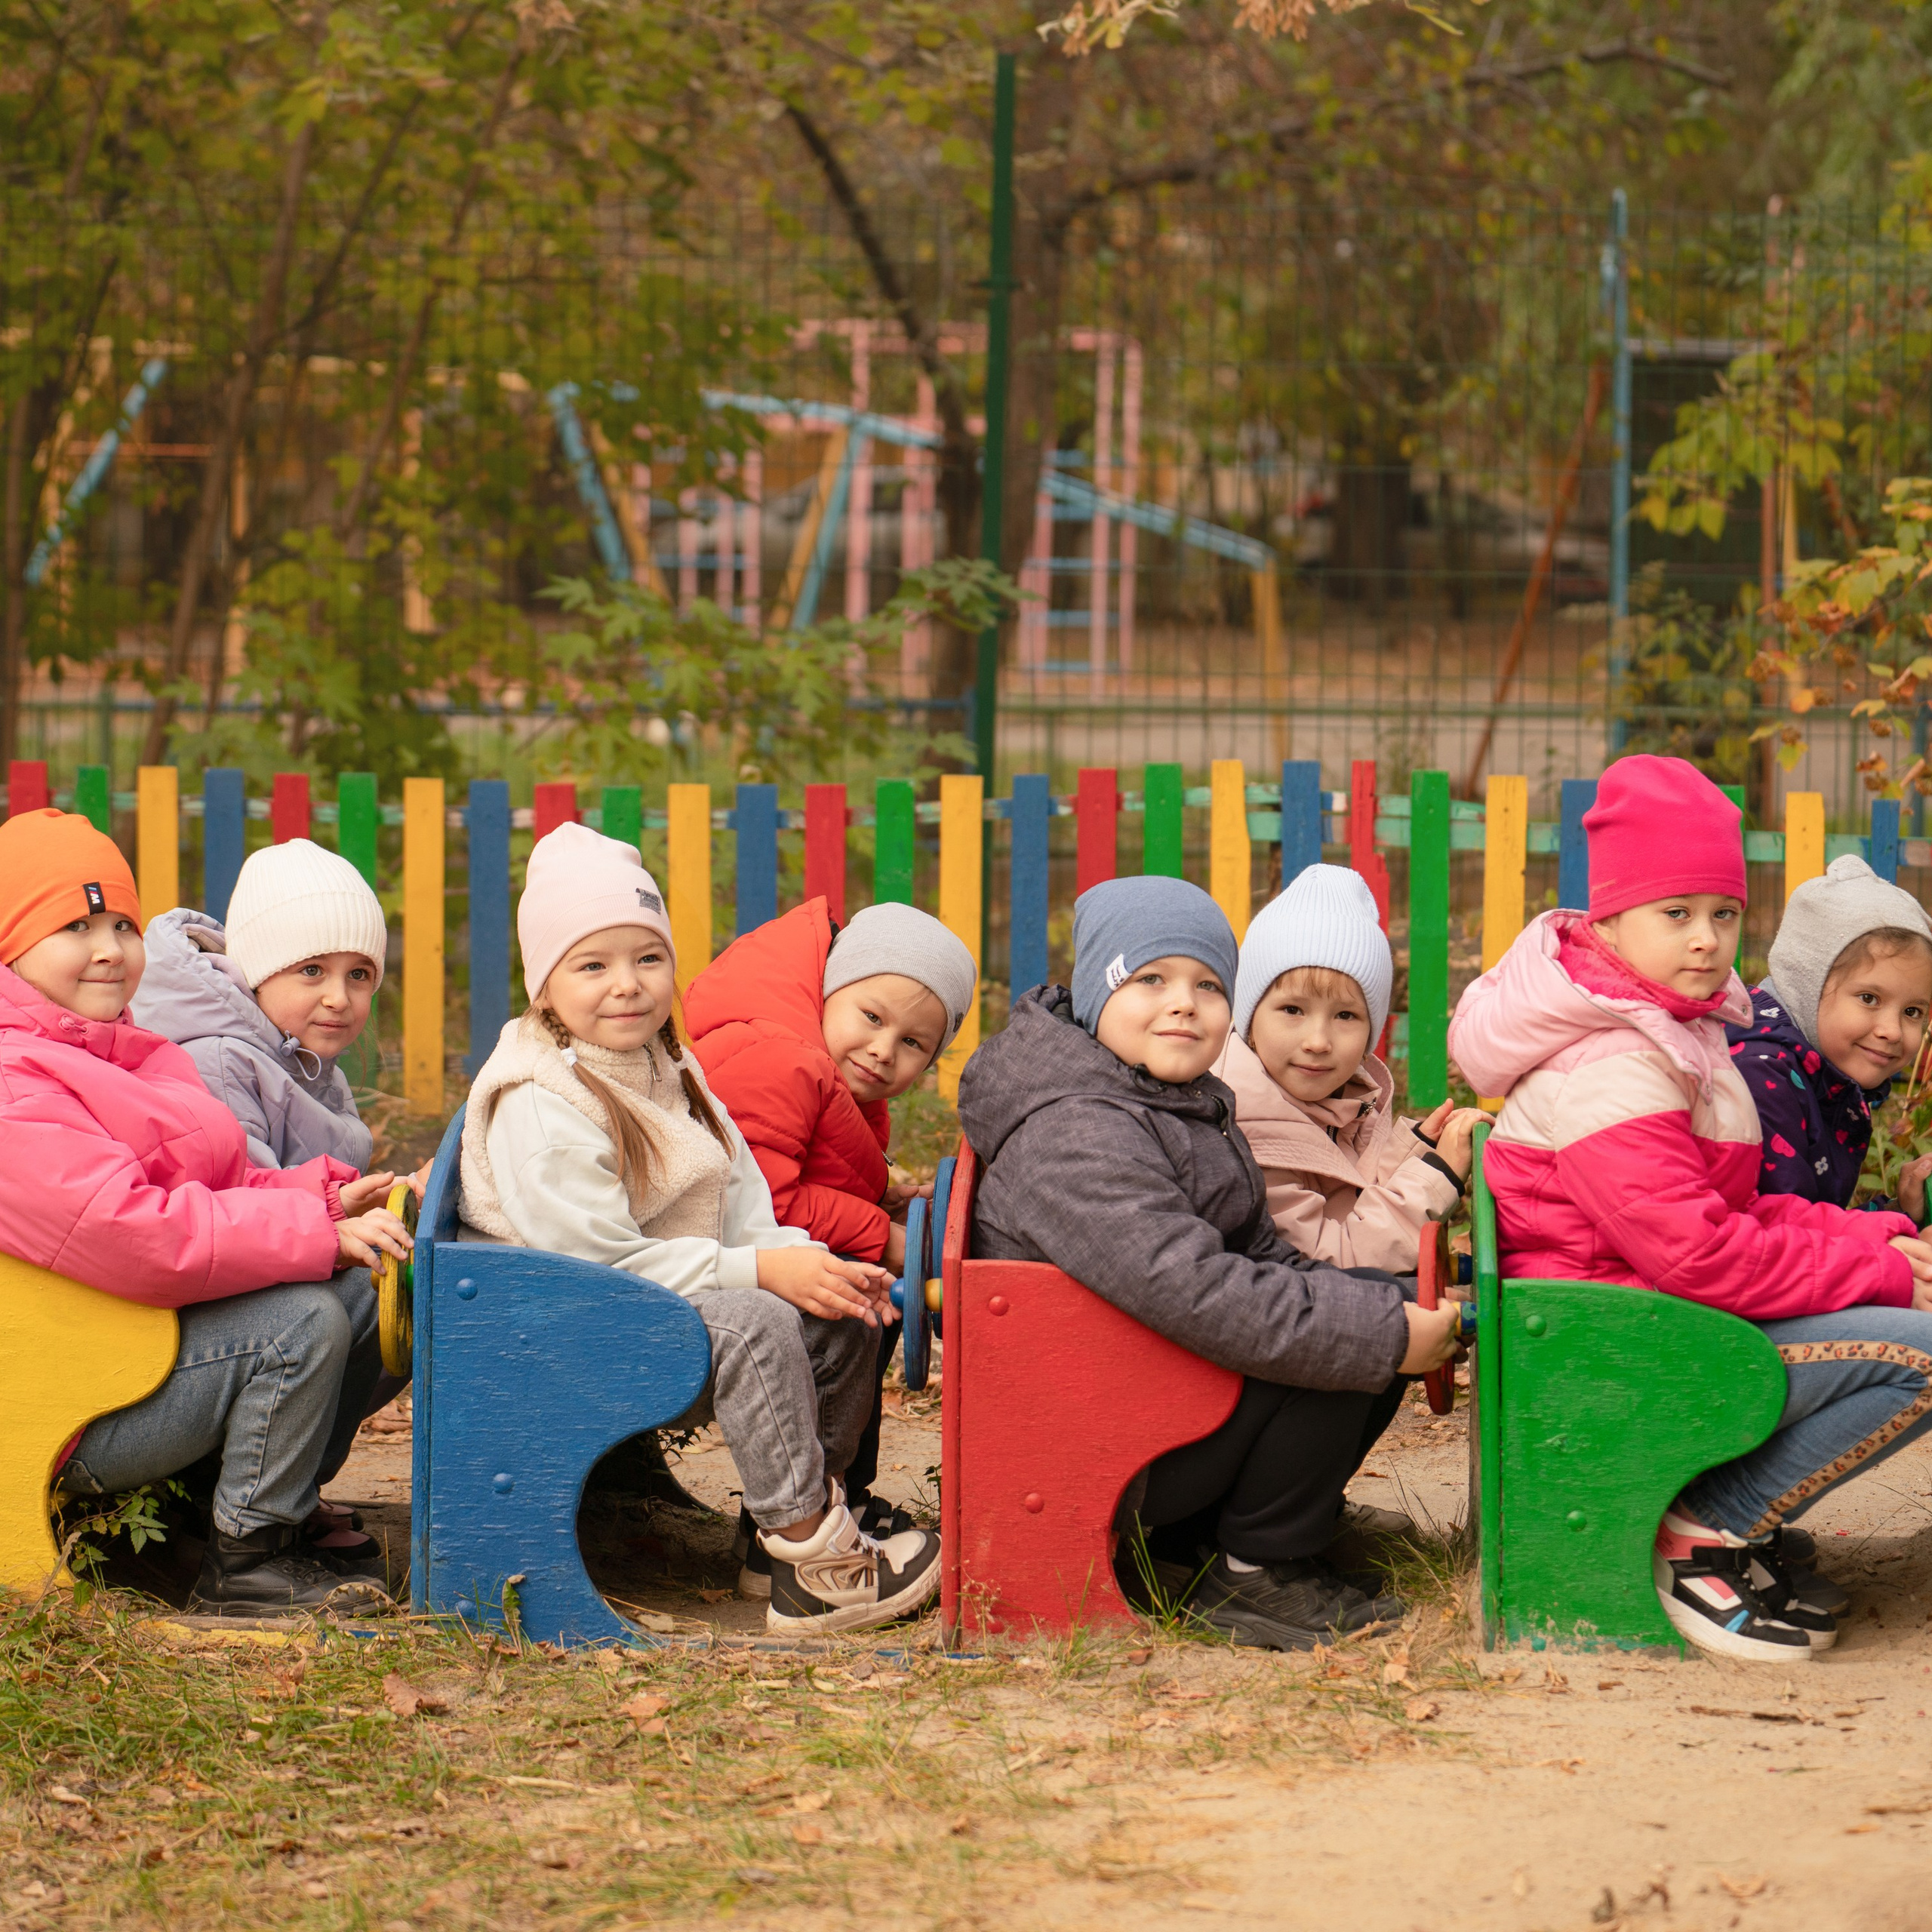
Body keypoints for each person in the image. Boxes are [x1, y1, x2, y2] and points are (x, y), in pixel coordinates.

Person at [1448, 755, 1932, 1663]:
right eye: (1675, 914)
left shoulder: (1675, 1036)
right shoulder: (1612, 1066)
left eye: (1721, 913)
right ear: (1611, 919)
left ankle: (1732, 1520)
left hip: (1637, 1316)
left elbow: (1740, 1209)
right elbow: (1700, 1256)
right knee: (1921, 1359)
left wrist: (1881, 1237)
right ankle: (1706, 1528)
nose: (1705, 939)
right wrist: (1876, 1270)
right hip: (1615, 1341)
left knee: (1902, 1304)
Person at [456, 823, 942, 1635]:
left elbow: (739, 1185)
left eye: (648, 959)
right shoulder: (541, 1101)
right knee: (753, 1322)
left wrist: (799, 1259)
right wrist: (756, 1275)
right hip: (556, 1319)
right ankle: (818, 1568)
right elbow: (594, 1262)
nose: (628, 985)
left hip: (641, 1294)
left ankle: (776, 1540)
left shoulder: (666, 1062)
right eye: (592, 964)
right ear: (544, 987)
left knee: (843, 1301)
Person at [956, 875, 1462, 1651]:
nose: (1183, 1002)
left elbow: (1257, 1253)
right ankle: (1250, 1566)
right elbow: (1192, 1289)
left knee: (1371, 1301)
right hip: (1100, 1438)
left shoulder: (1160, 1097)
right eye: (1149, 978)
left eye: (1206, 984)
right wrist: (1378, 1333)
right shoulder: (1079, 1131)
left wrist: (1374, 1307)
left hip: (1132, 1386)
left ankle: (1219, 1542)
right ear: (1097, 993)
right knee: (1350, 1336)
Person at [0, 808, 412, 1616]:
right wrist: (314, 1237)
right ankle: (249, 1561)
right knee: (296, 1322)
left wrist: (321, 1200)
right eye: (75, 925)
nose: (111, 947)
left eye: (122, 921)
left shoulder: (127, 1051)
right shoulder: (16, 1084)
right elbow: (135, 1234)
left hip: (128, 1361)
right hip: (66, 1403)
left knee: (374, 1277)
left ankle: (238, 1514)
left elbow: (218, 1184)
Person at [683, 896, 977, 1589]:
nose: (884, 1049)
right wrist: (886, 1237)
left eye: (914, 1043)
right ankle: (795, 1526)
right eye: (872, 1017)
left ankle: (831, 1498)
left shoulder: (821, 1067)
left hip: (744, 1256)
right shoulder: (776, 1060)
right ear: (825, 989)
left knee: (862, 1302)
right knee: (853, 1309)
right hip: (701, 1268)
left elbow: (810, 1177)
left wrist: (885, 1203)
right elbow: (764, 1200)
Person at [1217, 862, 1484, 1273]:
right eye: (1293, 1010)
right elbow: (1334, 1261)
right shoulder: (1245, 1129)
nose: (1318, 1041)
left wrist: (1417, 1152)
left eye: (1345, 1016)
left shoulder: (1335, 1103)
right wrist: (1438, 1175)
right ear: (1249, 1018)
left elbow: (1349, 1191)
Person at [1726, 854, 1932, 1221]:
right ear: (1806, 986)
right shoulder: (1763, 1077)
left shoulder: (1817, 1069)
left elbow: (1815, 1229)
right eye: (1869, 999)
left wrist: (1900, 1213)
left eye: (1912, 1011)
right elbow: (1788, 1243)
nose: (1893, 1030)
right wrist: (1896, 1245)